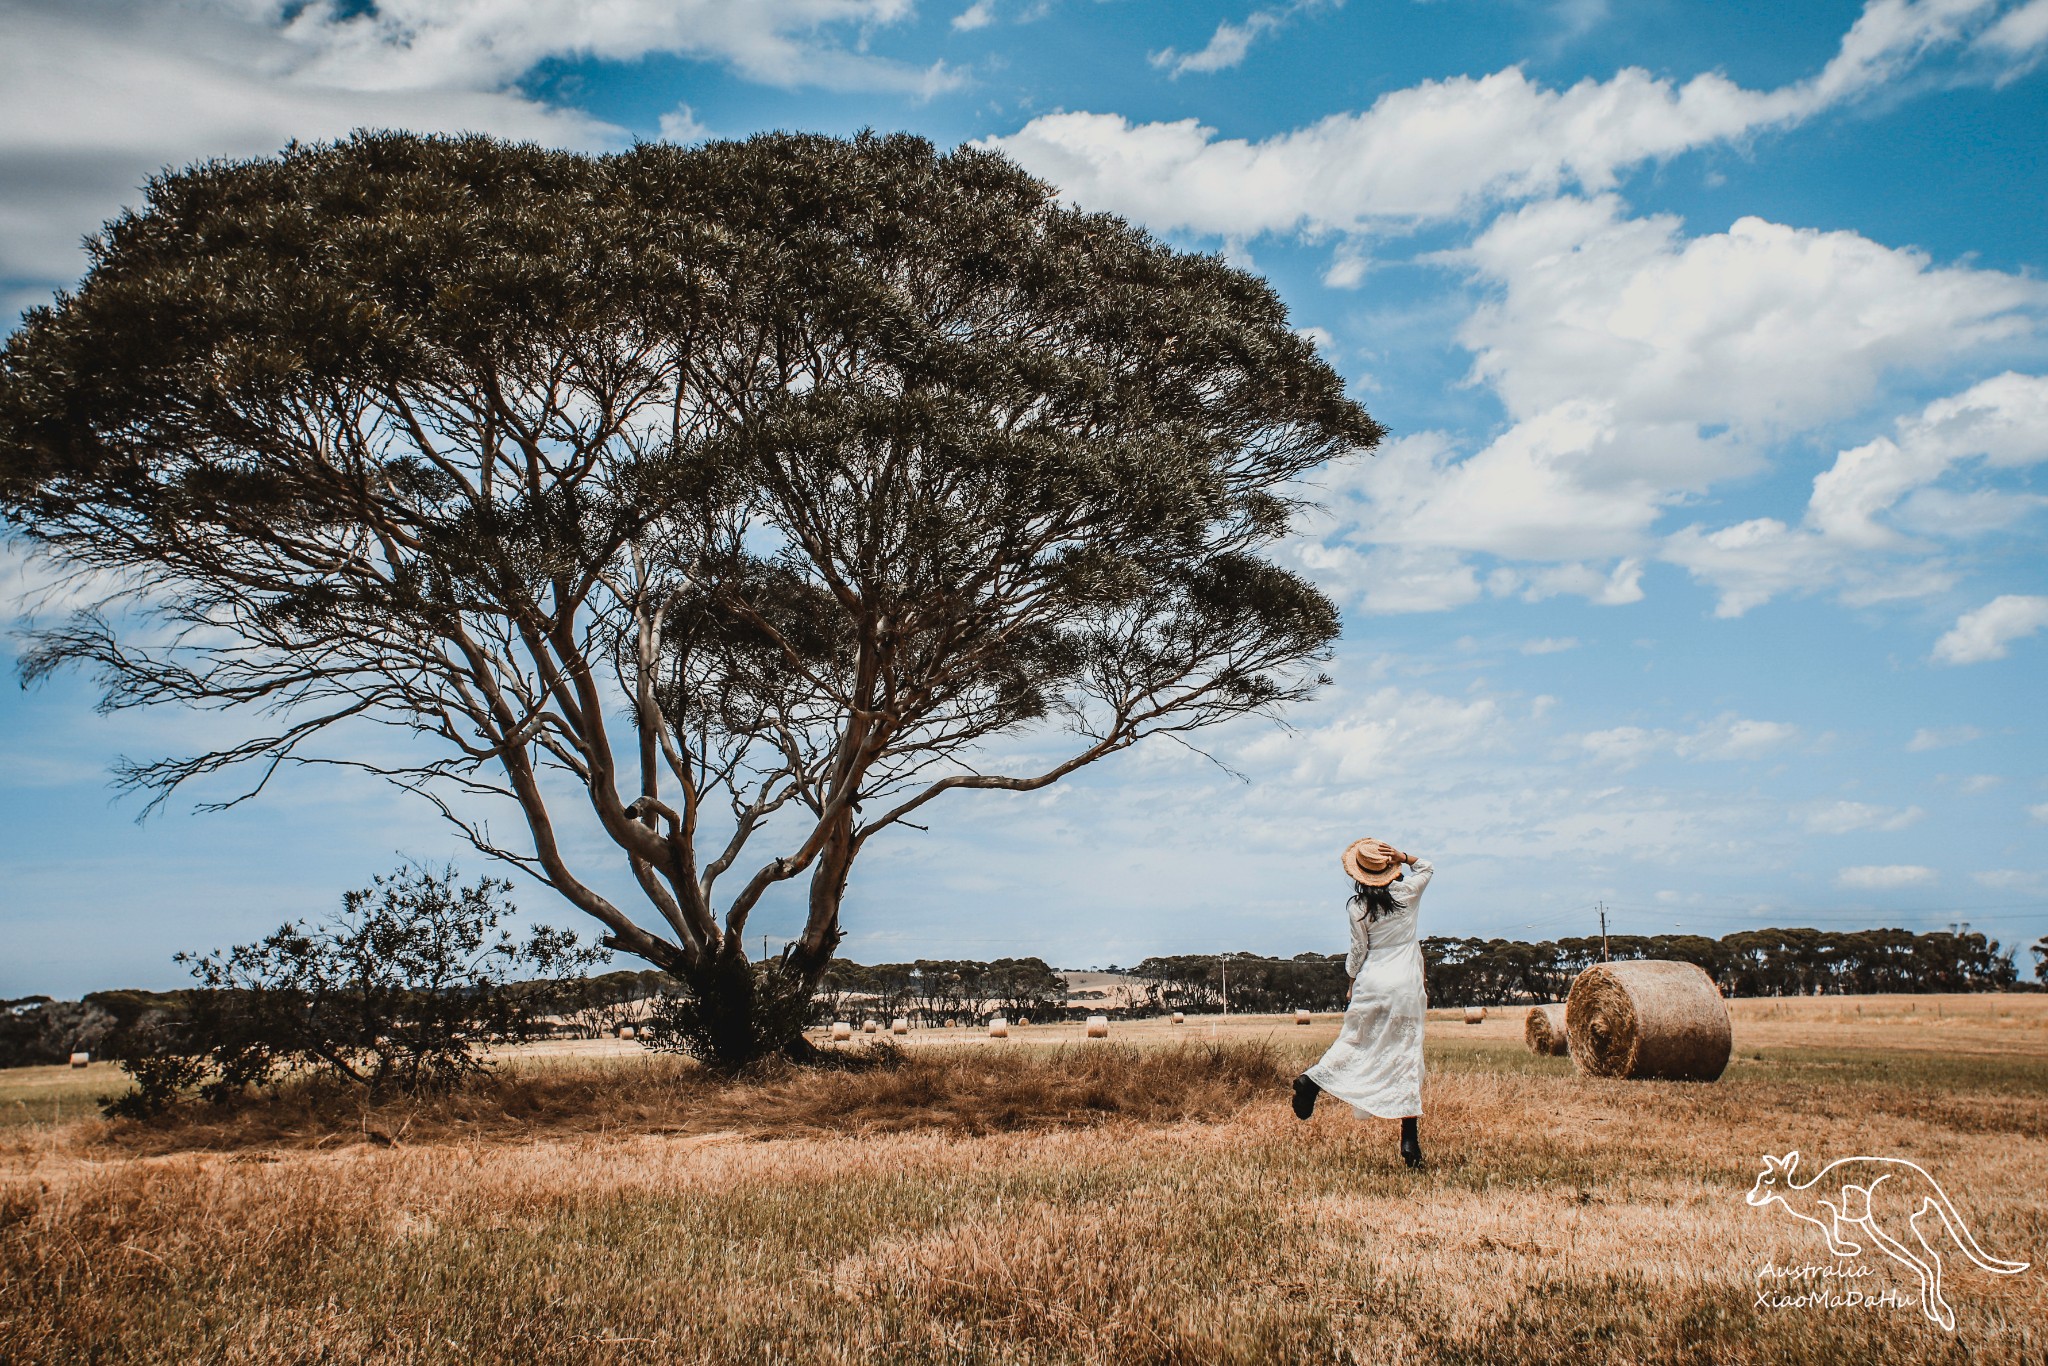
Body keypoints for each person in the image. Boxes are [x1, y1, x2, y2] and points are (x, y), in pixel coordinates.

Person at [1291, 837, 1432, 1169]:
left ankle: (1312, 1080)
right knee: (1406, 1056)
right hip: (1404, 985)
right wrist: (1404, 856)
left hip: (1372, 980)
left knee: (1353, 1042)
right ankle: (1409, 1139)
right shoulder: (1408, 894)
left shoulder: (1358, 906)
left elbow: (1358, 951)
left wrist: (1352, 982)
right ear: (1390, 869)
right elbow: (1427, 866)